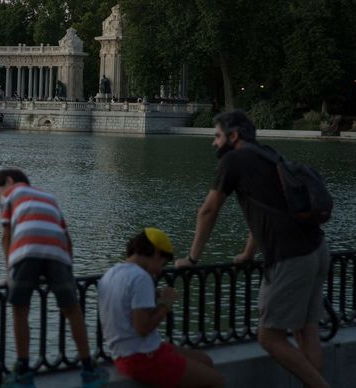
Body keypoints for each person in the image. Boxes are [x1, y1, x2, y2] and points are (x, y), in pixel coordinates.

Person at [175, 110, 330, 388]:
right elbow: (265, 213)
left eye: (218, 136)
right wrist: (248, 254)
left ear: (233, 136)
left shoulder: (233, 160)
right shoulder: (267, 154)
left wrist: (191, 258)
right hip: (317, 249)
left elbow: (209, 210)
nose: (214, 143)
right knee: (307, 331)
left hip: (290, 257)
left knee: (269, 337)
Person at [0, 169, 108, 388]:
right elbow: (67, 238)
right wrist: (66, 269)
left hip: (27, 249)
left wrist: (9, 272)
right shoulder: (48, 197)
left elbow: (7, 236)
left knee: (20, 308)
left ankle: (23, 371)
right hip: (57, 254)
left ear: (8, 181)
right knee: (73, 311)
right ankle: (89, 367)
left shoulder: (10, 194)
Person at [99, 229, 224, 388]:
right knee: (216, 382)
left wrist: (153, 295)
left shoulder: (111, 274)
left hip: (122, 355)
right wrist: (166, 303)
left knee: (205, 361)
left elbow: (125, 305)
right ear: (156, 253)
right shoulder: (141, 277)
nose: (159, 271)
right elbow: (142, 328)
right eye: (162, 264)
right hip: (143, 358)